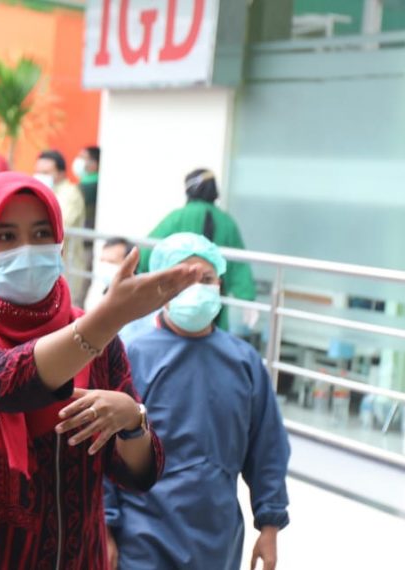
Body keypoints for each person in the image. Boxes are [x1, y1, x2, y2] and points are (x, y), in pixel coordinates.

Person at [0, 172, 205, 568]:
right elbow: (4, 382)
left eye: (41, 233)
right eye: (6, 237)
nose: (27, 248)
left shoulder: (100, 341)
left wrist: (131, 419)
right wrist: (108, 318)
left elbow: (138, 475)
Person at [104, 233, 290, 570]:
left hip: (215, 539)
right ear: (160, 286)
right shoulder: (130, 354)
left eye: (205, 279)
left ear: (220, 283)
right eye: (182, 278)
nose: (196, 287)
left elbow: (268, 450)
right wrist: (105, 528)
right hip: (143, 539)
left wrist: (269, 525)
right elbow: (104, 448)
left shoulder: (244, 363)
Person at [139, 168, 258, 331]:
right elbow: (239, 267)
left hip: (179, 297)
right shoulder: (226, 222)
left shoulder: (177, 218)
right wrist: (247, 299)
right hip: (215, 303)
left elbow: (146, 253)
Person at [34, 149, 88, 301]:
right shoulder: (40, 191)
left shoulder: (70, 194)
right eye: (38, 171)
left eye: (46, 172)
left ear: (61, 173)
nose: (40, 176)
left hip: (67, 268)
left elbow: (57, 225)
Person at [83, 237, 133, 314]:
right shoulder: (100, 293)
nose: (105, 266)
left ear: (130, 265)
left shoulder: (133, 300)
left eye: (111, 262)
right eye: (102, 260)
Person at [73, 146, 100, 230]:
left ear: (95, 163)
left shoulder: (93, 185)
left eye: (82, 157)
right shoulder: (85, 181)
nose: (78, 160)